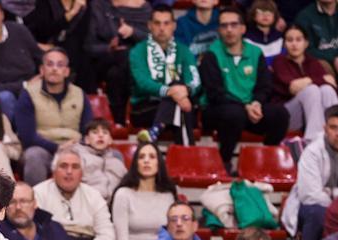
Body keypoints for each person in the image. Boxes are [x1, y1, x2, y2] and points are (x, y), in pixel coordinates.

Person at [200, 6, 289, 166]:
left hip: (249, 109)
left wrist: (256, 103)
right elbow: (215, 93)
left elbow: (265, 86)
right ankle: (224, 161)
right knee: (234, 114)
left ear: (243, 28)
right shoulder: (211, 55)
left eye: (234, 25)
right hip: (218, 110)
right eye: (224, 26)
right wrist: (244, 106)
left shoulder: (255, 53)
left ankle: (266, 160)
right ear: (219, 30)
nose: (229, 30)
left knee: (280, 114)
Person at [281, 105, 338, 240]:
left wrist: (330, 193)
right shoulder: (312, 152)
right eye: (333, 127)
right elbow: (309, 196)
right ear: (325, 129)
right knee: (317, 213)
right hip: (314, 207)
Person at [16, 48, 93, 187]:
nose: (54, 69)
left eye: (60, 65)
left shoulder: (79, 94)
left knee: (110, 156)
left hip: (75, 147)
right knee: (33, 156)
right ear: (42, 70)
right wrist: (57, 147)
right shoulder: (28, 94)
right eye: (50, 64)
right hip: (43, 148)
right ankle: (35, 204)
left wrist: (78, 145)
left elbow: (88, 129)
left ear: (66, 71)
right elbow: (27, 136)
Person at [130, 6, 201, 145]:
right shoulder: (138, 51)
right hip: (145, 108)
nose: (161, 28)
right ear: (149, 25)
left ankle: (155, 131)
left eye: (166, 23)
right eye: (157, 23)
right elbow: (142, 82)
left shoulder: (184, 50)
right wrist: (171, 92)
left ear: (174, 26)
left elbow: (194, 79)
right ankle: (188, 154)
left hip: (175, 106)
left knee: (178, 97)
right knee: (180, 106)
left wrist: (185, 90)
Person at [33, 147, 117, 240]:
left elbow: (107, 234)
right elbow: (34, 232)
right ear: (54, 172)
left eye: (75, 167)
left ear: (82, 173)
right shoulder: (38, 193)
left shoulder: (94, 195)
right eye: (63, 166)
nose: (69, 171)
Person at [81, 0, 150, 124]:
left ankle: (119, 119)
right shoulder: (99, 6)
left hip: (132, 64)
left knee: (116, 73)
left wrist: (133, 32)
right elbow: (88, 46)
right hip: (102, 60)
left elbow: (153, 41)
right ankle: (127, 114)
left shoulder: (144, 8)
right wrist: (108, 48)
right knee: (123, 58)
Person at [272, 24, 338, 141]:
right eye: (289, 40)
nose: (294, 44)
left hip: (313, 112)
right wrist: (317, 79)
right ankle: (314, 141)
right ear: (284, 44)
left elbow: (332, 85)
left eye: (298, 40)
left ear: (306, 43)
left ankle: (337, 134)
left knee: (326, 90)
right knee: (312, 90)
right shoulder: (279, 61)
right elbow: (293, 87)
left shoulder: (313, 62)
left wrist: (311, 81)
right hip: (287, 115)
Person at [110, 142, 177, 240]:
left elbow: (174, 237)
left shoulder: (168, 196)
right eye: (141, 157)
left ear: (159, 163)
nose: (146, 161)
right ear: (136, 163)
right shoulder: (123, 194)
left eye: (152, 157)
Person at [0, 180, 88, 240]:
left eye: (24, 201)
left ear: (35, 203)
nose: (18, 207)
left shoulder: (53, 228)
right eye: (12, 202)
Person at [295, 0, 338, 81]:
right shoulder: (304, 17)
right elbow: (305, 49)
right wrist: (333, 60)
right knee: (322, 66)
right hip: (323, 68)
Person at [73, 119, 127, 201]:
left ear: (110, 140)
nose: (100, 135)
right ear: (87, 139)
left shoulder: (117, 161)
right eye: (95, 132)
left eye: (105, 133)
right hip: (88, 203)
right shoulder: (78, 157)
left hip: (114, 205)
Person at [149, 201, 220, 240]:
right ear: (168, 227)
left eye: (185, 218)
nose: (179, 224)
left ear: (195, 226)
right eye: (173, 220)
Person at [245, 0, 286, 65]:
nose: (265, 15)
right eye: (260, 12)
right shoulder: (247, 39)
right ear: (253, 15)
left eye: (269, 12)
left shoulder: (281, 38)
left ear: (275, 16)